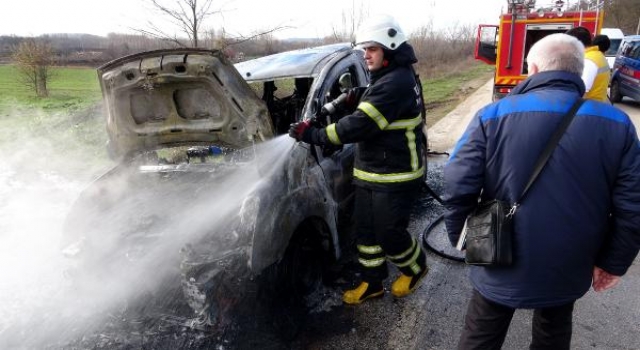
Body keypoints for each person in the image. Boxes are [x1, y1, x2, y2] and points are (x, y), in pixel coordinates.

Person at [444, 33, 640, 349]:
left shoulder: (492, 116)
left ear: (532, 68)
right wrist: (614, 261)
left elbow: (457, 183)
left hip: (498, 250)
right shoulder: (617, 123)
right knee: (554, 330)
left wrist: (463, 236)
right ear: (578, 72)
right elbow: (633, 205)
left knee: (482, 333)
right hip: (571, 257)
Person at [288, 14, 429, 305]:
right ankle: (373, 282)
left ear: (389, 49)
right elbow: (375, 95)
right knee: (365, 233)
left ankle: (415, 268)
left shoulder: (397, 82)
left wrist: (311, 134)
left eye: (372, 49)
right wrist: (358, 94)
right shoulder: (389, 77)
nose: (366, 55)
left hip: (395, 173)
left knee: (390, 234)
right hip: (369, 171)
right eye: (364, 49)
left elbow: (357, 126)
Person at [566, 26, 611, 102]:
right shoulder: (597, 55)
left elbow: (582, 91)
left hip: (589, 108)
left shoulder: (589, 61)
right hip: (596, 105)